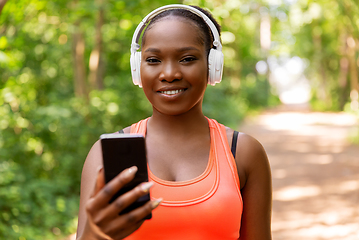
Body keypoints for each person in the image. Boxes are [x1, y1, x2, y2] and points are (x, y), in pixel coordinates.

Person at [76, 4, 272, 240]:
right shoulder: (104, 155)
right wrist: (95, 233)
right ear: (137, 69)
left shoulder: (244, 153)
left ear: (212, 66)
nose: (169, 73)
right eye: (153, 60)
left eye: (187, 58)